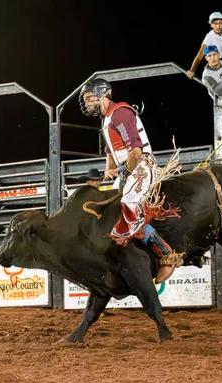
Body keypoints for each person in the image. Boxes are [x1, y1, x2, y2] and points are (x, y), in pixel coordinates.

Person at [79, 79, 184, 283]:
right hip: (127, 166)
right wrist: (110, 168)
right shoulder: (107, 119)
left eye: (90, 98)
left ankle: (166, 255)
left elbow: (135, 151)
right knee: (109, 206)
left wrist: (125, 174)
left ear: (103, 95)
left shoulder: (120, 113)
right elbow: (111, 150)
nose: (88, 103)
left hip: (141, 164)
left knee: (128, 203)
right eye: (86, 100)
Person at [186, 12, 222, 80]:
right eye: (215, 24)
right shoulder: (209, 38)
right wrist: (192, 70)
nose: (218, 26)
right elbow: (199, 56)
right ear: (211, 25)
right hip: (217, 67)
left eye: (220, 23)